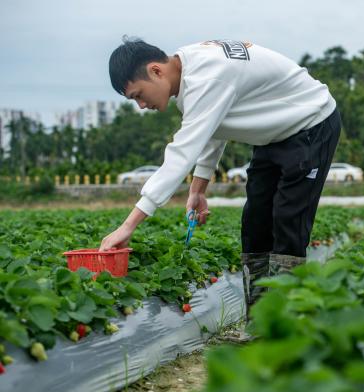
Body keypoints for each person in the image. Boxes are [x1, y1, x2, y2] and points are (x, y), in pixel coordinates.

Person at [99, 37, 341, 315]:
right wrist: (198, 190)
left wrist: (128, 226)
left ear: (156, 71)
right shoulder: (190, 72)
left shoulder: (207, 77)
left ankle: (289, 324)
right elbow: (214, 129)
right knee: (255, 224)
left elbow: (180, 156)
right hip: (274, 134)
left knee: (288, 223)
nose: (141, 105)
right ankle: (260, 322)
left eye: (138, 95)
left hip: (312, 123)